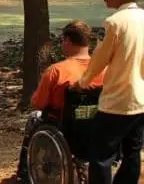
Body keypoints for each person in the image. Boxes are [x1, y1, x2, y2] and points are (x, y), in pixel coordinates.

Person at [77, 0, 144, 184]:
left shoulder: (115, 22)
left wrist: (83, 81)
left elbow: (99, 59)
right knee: (132, 153)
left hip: (117, 100)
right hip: (141, 99)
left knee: (101, 156)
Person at [16, 20, 105, 181]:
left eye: (63, 41)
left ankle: (24, 174)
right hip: (98, 125)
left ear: (68, 41)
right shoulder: (105, 70)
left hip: (64, 127)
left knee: (33, 117)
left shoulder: (56, 71)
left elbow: (38, 103)